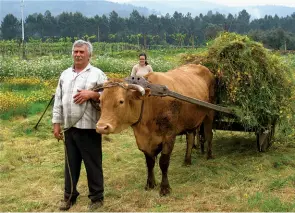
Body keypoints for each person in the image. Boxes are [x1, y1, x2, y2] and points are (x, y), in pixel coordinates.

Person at [52, 39, 107, 211]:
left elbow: (108, 94)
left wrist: (92, 94)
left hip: (89, 127)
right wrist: (56, 123)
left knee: (93, 164)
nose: (78, 54)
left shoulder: (97, 73)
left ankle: (97, 198)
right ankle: (69, 197)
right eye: (75, 51)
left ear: (89, 55)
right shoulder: (65, 74)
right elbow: (58, 100)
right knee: (70, 165)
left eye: (82, 52)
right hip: (70, 128)